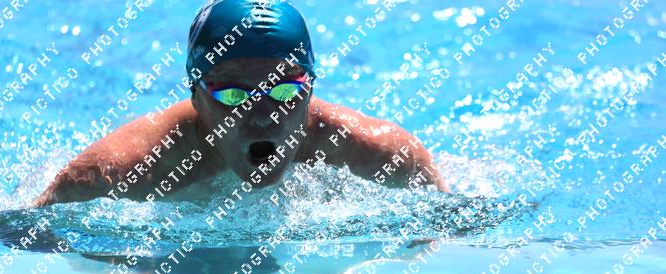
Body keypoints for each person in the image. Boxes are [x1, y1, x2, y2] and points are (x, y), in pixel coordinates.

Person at [32, 0, 449, 207]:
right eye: (234, 95)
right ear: (196, 96)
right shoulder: (110, 178)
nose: (264, 116)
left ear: (310, 90)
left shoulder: (384, 156)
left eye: (284, 91)